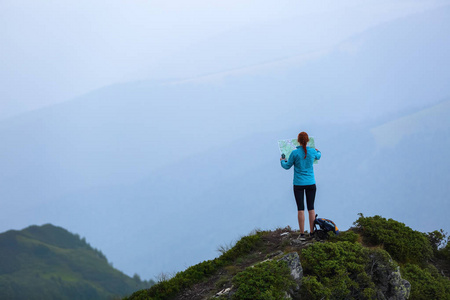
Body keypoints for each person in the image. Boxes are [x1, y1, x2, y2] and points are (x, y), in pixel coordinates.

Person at [280, 132, 321, 240]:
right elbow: (319, 156)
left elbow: (287, 166)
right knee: (311, 208)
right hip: (311, 183)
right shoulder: (312, 151)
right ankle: (312, 233)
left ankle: (302, 234)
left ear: (298, 140)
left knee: (300, 209)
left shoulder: (294, 153)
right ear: (308, 140)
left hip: (298, 184)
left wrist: (282, 161)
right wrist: (318, 150)